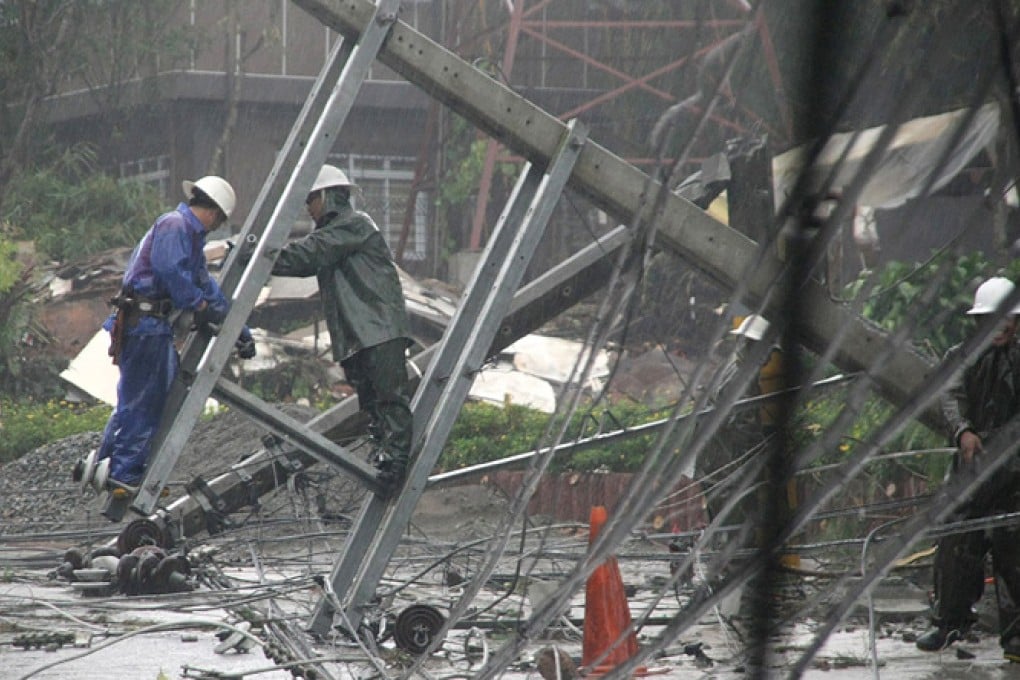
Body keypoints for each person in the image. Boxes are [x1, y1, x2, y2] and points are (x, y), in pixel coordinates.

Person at [79, 176, 256, 495]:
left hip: (150, 326)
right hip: (145, 324)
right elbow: (170, 272)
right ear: (215, 214)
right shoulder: (174, 226)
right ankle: (124, 472)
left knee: (141, 396)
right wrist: (198, 304)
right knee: (146, 400)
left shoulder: (189, 238)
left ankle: (110, 460)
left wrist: (239, 330)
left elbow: (206, 286)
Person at [269, 164, 413, 490]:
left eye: (311, 199)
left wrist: (259, 253)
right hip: (360, 336)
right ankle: (385, 458)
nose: (308, 207)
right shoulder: (337, 233)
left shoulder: (353, 226)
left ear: (327, 196)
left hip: (379, 330)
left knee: (389, 400)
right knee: (374, 404)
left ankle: (396, 465)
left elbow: (306, 255)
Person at [917, 276, 1020, 659]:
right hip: (971, 471)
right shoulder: (960, 358)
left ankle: (1017, 638)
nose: (1002, 326)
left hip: (1014, 475)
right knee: (956, 542)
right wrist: (963, 431)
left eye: (1008, 318)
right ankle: (950, 623)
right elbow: (951, 395)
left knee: (1014, 550)